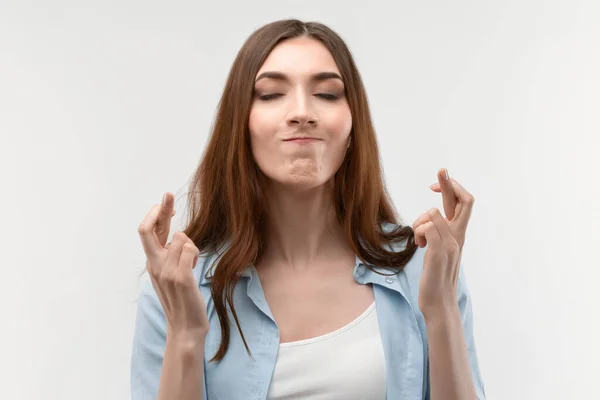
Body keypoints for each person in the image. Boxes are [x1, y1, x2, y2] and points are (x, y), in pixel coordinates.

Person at [131, 18, 486, 400]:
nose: (302, 112)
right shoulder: (179, 286)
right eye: (270, 94)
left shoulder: (421, 267)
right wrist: (186, 334)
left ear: (353, 128)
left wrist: (442, 312)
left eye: (328, 94)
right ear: (240, 125)